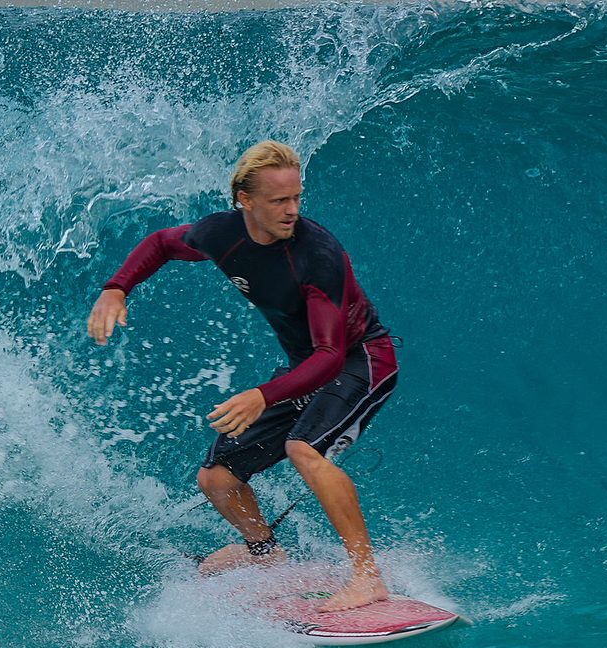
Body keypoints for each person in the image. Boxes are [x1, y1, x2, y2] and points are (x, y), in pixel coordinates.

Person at [86, 140, 399, 612]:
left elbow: (331, 355)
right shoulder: (222, 235)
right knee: (217, 477)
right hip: (305, 367)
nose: (292, 210)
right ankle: (265, 555)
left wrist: (261, 395)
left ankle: (367, 576)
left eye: (297, 197)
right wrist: (116, 288)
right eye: (278, 200)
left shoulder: (318, 255)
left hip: (361, 360)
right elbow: (161, 244)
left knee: (303, 449)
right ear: (244, 200)